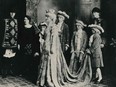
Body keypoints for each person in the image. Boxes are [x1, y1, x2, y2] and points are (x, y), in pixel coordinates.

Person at [37, 9, 92, 87]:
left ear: (51, 18)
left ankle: (50, 79)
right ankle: (44, 80)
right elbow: (47, 37)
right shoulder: (48, 26)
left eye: (47, 17)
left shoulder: (55, 26)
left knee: (52, 62)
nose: (46, 19)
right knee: (45, 63)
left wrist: (54, 48)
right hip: (46, 47)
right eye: (46, 17)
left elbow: (56, 38)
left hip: (53, 47)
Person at [19, 15, 40, 84]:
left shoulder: (32, 28)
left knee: (30, 59)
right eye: (24, 19)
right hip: (23, 45)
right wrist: (19, 44)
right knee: (24, 59)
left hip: (31, 45)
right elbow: (19, 36)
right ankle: (24, 72)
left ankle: (30, 73)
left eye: (26, 19)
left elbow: (35, 38)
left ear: (29, 20)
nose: (25, 20)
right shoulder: (22, 27)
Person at [1, 9, 18, 78]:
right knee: (5, 58)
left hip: (13, 42)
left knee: (12, 57)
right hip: (7, 42)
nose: (12, 14)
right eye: (11, 13)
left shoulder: (16, 21)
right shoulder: (5, 20)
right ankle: (4, 72)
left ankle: (10, 71)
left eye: (13, 13)